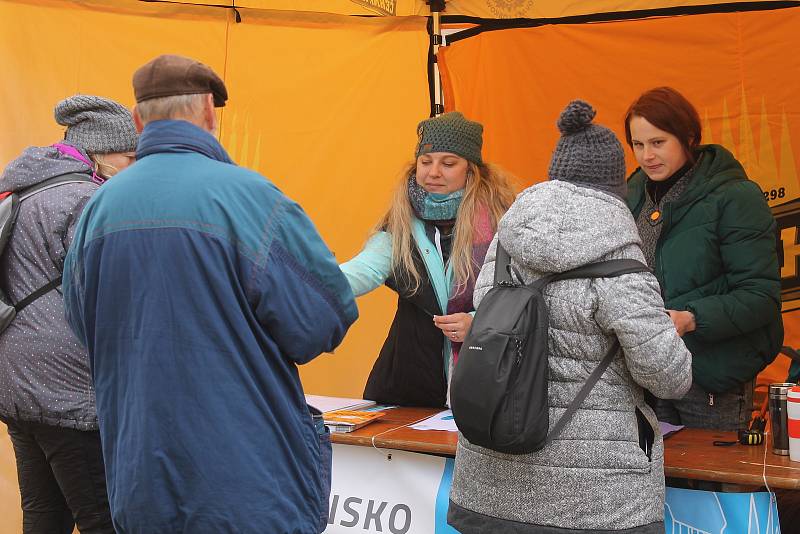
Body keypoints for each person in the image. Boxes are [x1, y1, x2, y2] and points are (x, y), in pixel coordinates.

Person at [62, 54, 358, 534]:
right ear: (209, 112)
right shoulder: (250, 199)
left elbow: (82, 323)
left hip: (139, 478)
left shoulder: (97, 209)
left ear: (137, 121)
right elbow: (323, 321)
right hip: (246, 480)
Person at [448, 100, 692, 533]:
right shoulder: (622, 262)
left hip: (489, 485)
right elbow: (669, 378)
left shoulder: (507, 245)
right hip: (597, 502)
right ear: (614, 185)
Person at [0, 94, 136, 534]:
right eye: (129, 155)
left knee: (43, 514)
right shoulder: (87, 200)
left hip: (16, 375)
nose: (135, 165)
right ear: (98, 150)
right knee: (103, 517)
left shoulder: (25, 185)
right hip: (68, 387)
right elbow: (109, 293)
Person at [624, 86, 783, 432]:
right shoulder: (634, 191)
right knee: (661, 481)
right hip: (653, 368)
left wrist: (690, 318)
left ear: (689, 137)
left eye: (658, 142)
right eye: (638, 144)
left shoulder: (735, 197)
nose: (647, 155)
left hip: (713, 373)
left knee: (713, 483)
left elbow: (761, 297)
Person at [340, 111, 515, 407]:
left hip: (482, 386)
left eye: (448, 163)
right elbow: (363, 270)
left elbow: (520, 297)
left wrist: (477, 322)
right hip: (406, 384)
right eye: (426, 161)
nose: (433, 172)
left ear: (471, 171)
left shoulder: (504, 224)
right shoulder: (401, 223)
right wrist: (309, 280)